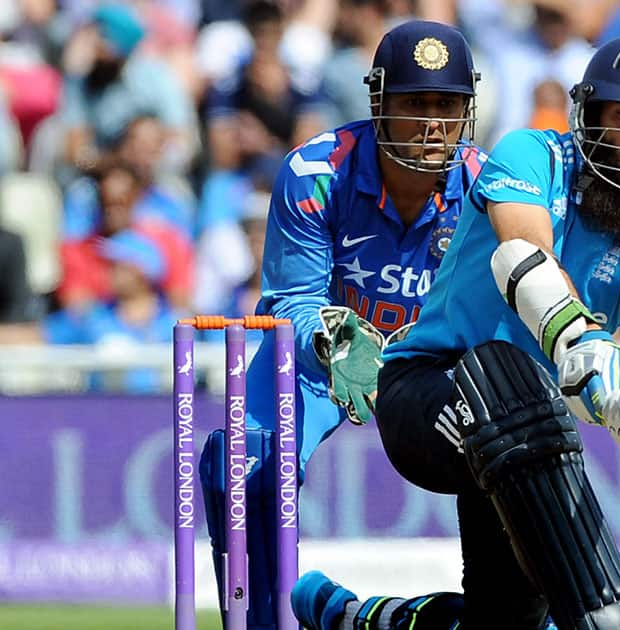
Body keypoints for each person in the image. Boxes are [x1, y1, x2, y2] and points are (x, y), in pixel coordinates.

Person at [293, 34, 620, 629]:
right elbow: (522, 253)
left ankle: (365, 618)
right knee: (513, 380)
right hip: (427, 391)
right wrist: (586, 347)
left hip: (526, 440)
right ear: (589, 118)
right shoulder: (532, 156)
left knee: (506, 622)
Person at [196, 19, 485, 630]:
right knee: (238, 459)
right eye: (414, 104)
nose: (433, 123)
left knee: (525, 455)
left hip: (439, 366)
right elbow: (288, 302)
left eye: (447, 105)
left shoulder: (488, 187)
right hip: (324, 363)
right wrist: (333, 336)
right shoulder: (317, 173)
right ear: (378, 103)